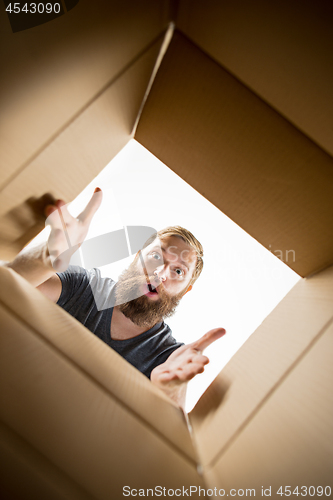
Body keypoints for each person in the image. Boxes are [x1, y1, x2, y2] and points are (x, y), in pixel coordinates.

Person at [5, 188, 226, 410]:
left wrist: (170, 393)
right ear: (136, 258)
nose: (161, 273)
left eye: (178, 271)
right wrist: (46, 258)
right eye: (156, 256)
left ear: (185, 290)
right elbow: (8, 286)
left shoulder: (168, 358)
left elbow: (165, 435)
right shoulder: (82, 288)